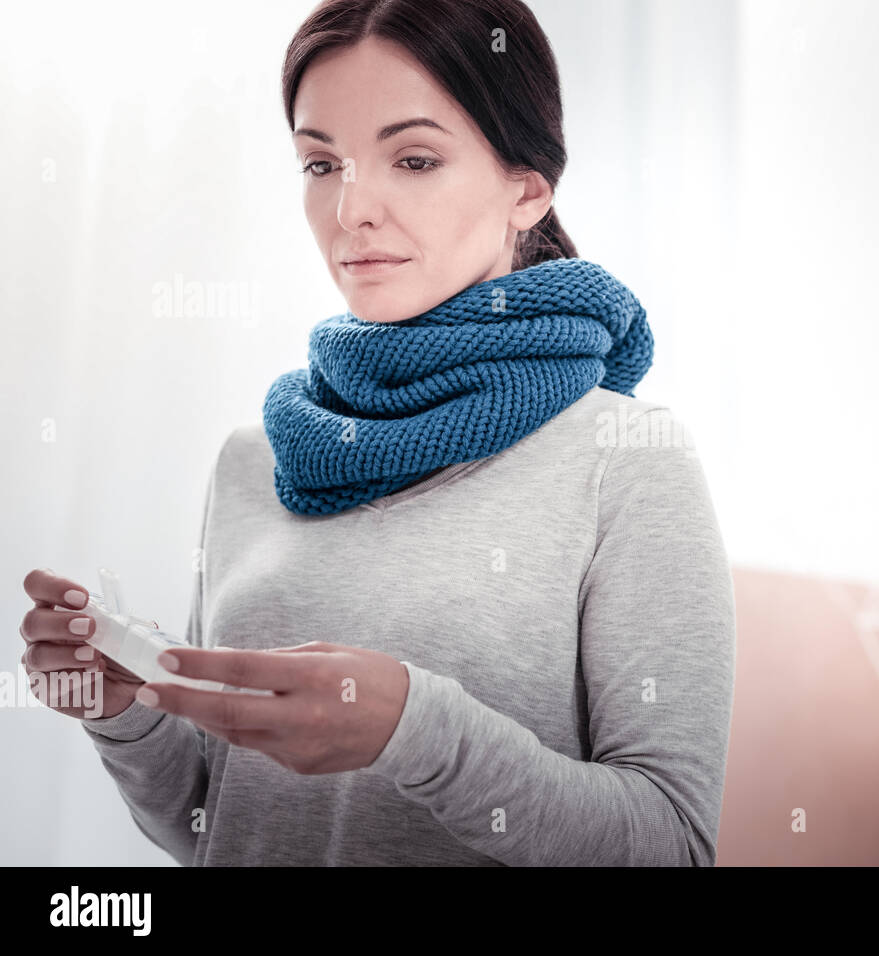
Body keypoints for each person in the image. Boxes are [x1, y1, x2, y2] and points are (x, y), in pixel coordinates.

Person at [18, 0, 735, 866]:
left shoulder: (628, 463)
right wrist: (128, 714)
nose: (352, 208)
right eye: (322, 164)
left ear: (528, 188)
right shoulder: (256, 459)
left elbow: (673, 844)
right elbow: (219, 826)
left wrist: (414, 730)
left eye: (415, 158)